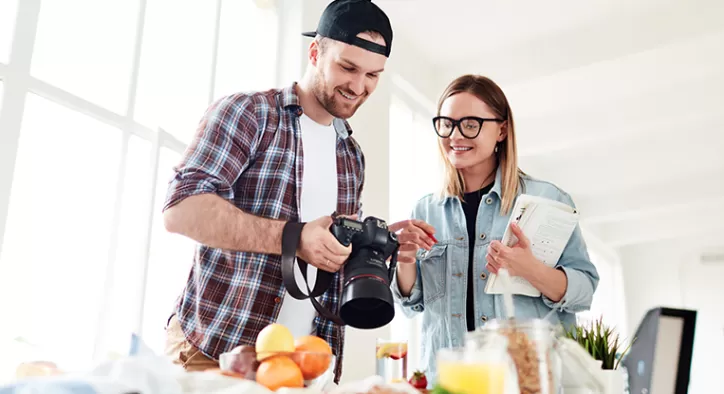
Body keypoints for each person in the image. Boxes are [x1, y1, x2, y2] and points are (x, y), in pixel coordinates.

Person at [161, 0, 428, 383]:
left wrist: (376, 244)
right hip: (217, 353)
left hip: (306, 368)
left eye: (373, 74)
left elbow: (327, 252)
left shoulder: (352, 155)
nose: (358, 86)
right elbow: (180, 209)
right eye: (347, 67)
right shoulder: (249, 114)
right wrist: (293, 238)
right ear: (316, 52)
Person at [392, 74, 600, 386]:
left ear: (501, 130)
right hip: (450, 384)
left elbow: (584, 289)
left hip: (523, 383)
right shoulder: (426, 210)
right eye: (446, 123)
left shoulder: (547, 199)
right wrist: (404, 259)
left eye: (471, 124)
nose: (455, 135)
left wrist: (529, 269)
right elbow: (413, 301)